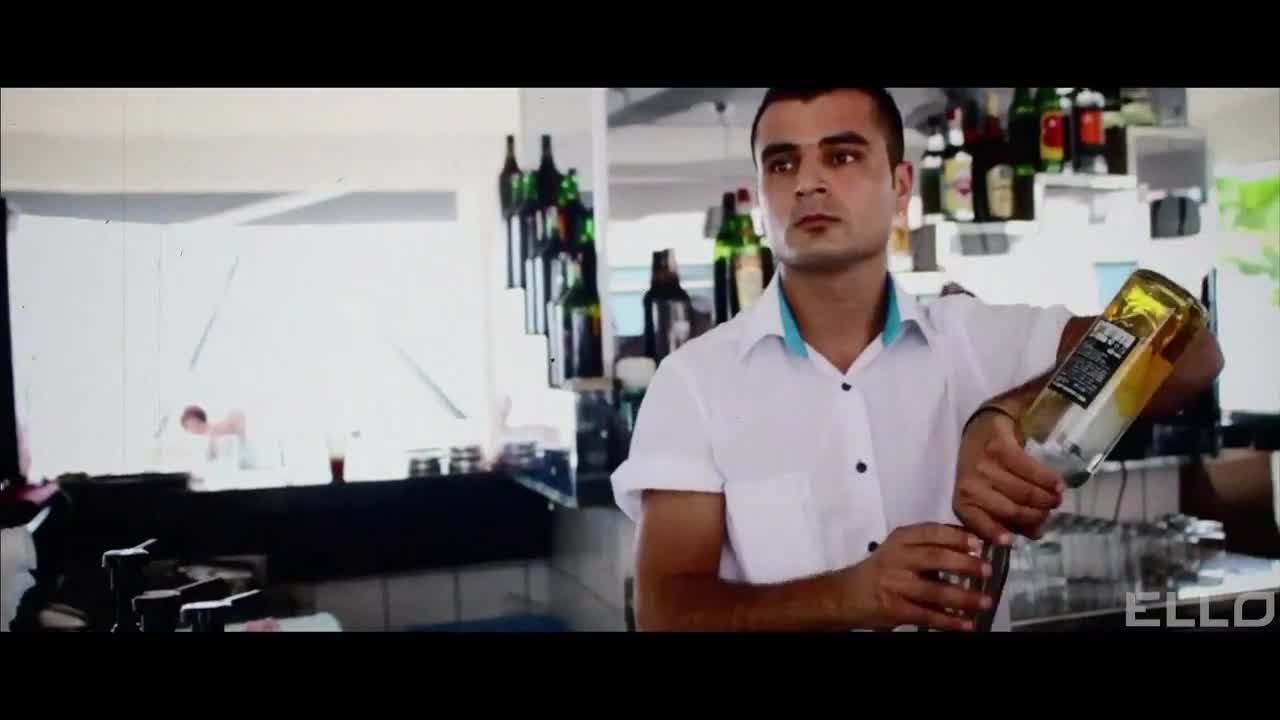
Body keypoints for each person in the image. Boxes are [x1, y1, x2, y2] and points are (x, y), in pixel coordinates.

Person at [611, 88, 1224, 632]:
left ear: (901, 186)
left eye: (842, 156)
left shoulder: (981, 340)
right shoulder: (694, 382)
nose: (807, 182)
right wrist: (846, 597)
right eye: (782, 163)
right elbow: (664, 613)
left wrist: (1008, 411)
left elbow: (1192, 348)